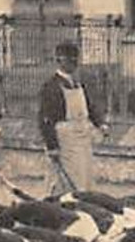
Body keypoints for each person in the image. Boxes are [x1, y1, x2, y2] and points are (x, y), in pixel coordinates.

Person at [38, 41, 105, 194]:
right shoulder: (51, 86)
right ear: (59, 60)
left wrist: (99, 124)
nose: (73, 64)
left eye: (75, 60)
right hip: (64, 139)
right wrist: (52, 146)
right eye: (69, 60)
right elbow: (45, 120)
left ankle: (84, 203)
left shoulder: (79, 84)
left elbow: (89, 106)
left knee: (85, 175)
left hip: (82, 136)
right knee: (65, 179)